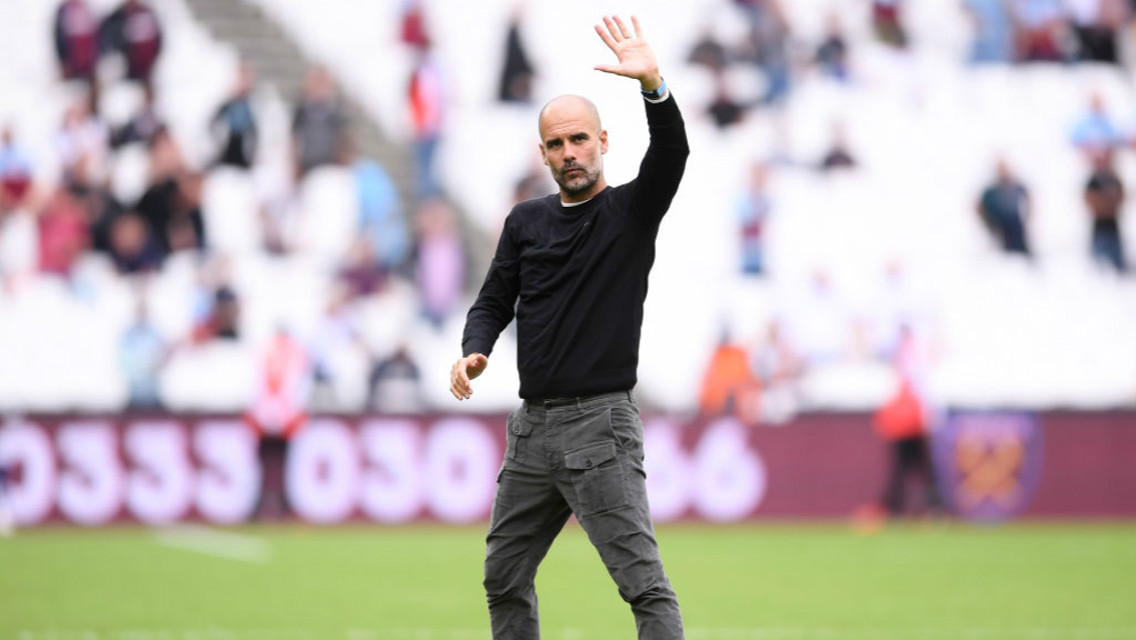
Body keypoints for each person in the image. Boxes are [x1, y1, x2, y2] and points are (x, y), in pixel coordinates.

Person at [449, 16, 688, 640]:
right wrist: (474, 350)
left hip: (599, 428)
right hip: (531, 431)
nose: (568, 153)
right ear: (543, 152)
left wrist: (654, 86)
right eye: (555, 145)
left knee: (644, 587)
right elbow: (493, 300)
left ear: (603, 141)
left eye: (578, 139)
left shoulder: (630, 213)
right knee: (502, 576)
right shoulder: (525, 221)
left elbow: (672, 155)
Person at [977, 158, 1032, 257]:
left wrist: (1028, 220)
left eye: (1005, 169)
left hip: (1016, 228)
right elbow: (978, 207)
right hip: (1001, 229)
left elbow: (1029, 197)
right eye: (1001, 169)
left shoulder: (1016, 186)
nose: (1004, 172)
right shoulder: (991, 191)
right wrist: (989, 226)